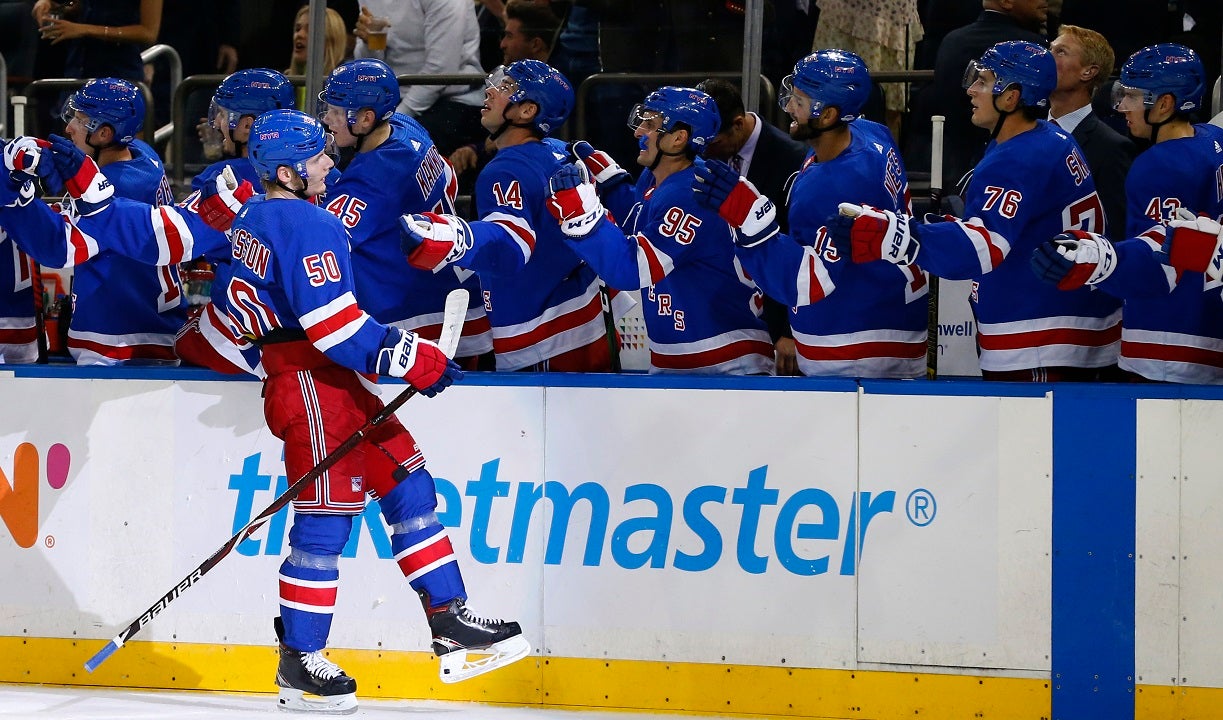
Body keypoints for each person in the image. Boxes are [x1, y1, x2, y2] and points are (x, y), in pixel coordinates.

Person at [231, 109, 527, 712]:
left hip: (324, 379)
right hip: (312, 383)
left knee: (407, 483)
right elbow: (334, 327)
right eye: (315, 157)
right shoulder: (307, 221)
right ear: (286, 171)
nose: (328, 162)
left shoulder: (253, 217)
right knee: (324, 523)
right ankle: (300, 659)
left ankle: (449, 619)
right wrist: (414, 358)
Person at [834, 41, 1122, 381]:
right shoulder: (1049, 137)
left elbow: (982, 247)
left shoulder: (1018, 158)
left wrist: (893, 235)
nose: (971, 90)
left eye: (983, 81)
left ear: (1011, 97)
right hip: (1069, 327)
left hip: (1040, 337)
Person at [692, 50, 929, 379]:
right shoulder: (873, 133)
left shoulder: (829, 188)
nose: (789, 106)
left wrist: (749, 220)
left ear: (829, 115)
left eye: (800, 101)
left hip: (855, 344)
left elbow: (805, 282)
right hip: (893, 318)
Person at [400, 59, 625, 371]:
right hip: (590, 318)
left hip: (546, 335)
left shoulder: (505, 171)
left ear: (527, 111)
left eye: (506, 87)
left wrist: (456, 238)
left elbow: (510, 240)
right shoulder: (559, 150)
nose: (490, 91)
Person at [546, 87, 775, 374]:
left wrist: (583, 218)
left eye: (650, 124)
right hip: (682, 354)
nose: (638, 132)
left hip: (724, 361)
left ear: (679, 138)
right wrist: (612, 184)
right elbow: (639, 226)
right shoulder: (658, 177)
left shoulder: (693, 194)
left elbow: (632, 268)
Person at [1031, 44, 1223, 383]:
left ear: (1164, 104)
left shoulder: (1159, 165)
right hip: (1209, 331)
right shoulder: (1213, 140)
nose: (1121, 107)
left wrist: (1097, 259)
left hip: (1165, 343)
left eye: (1132, 96)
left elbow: (1162, 258)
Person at [316, 58, 492, 367]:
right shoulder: (406, 127)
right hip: (457, 292)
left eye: (336, 112)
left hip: (415, 317)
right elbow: (449, 180)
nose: (327, 119)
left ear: (366, 118)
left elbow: (319, 246)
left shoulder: (373, 180)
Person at [46, 78, 186, 365]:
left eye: (80, 120)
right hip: (157, 321)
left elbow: (55, 244)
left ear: (104, 134)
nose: (69, 128)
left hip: (116, 336)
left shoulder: (110, 189)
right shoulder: (144, 155)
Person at [697, 78, 808, 374]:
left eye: (713, 143)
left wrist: (788, 330)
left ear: (737, 124)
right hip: (720, 317)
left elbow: (797, 247)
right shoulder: (702, 152)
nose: (705, 152)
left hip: (774, 323)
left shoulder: (792, 158)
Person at [907, 0, 1047, 182]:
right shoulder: (1034, 50)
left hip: (953, 169)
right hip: (1014, 172)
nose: (1044, 1)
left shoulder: (951, 41)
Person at [352, 0, 486, 156]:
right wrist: (369, 45)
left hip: (454, 98)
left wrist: (393, 120)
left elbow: (440, 70)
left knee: (390, 153)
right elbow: (370, 65)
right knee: (344, 138)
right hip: (392, 96)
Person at [1048, 24, 1135, 236]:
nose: (1046, 57)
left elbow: (1114, 231)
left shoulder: (1111, 148)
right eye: (1050, 49)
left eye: (1061, 52)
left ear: (1088, 72)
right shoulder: (1025, 130)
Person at [32, 0, 162, 83]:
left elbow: (148, 33)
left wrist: (84, 29)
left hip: (117, 74)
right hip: (77, 71)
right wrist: (57, 7)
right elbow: (88, 8)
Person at [287, 5, 348, 107]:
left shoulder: (344, 84)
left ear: (330, 39)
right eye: (298, 29)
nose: (299, 35)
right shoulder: (286, 84)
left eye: (310, 30)